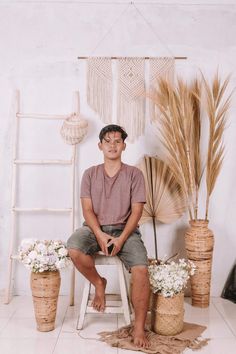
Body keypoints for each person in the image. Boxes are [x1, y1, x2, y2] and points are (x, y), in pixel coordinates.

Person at [67, 124, 150, 348]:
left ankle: (139, 327)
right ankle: (98, 283)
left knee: (142, 270)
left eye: (117, 141)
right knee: (73, 247)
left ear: (124, 145)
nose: (112, 145)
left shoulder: (134, 174)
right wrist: (100, 235)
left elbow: (137, 212)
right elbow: (87, 210)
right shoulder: (90, 174)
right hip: (95, 228)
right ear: (100, 145)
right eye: (107, 141)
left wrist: (121, 239)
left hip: (126, 230)